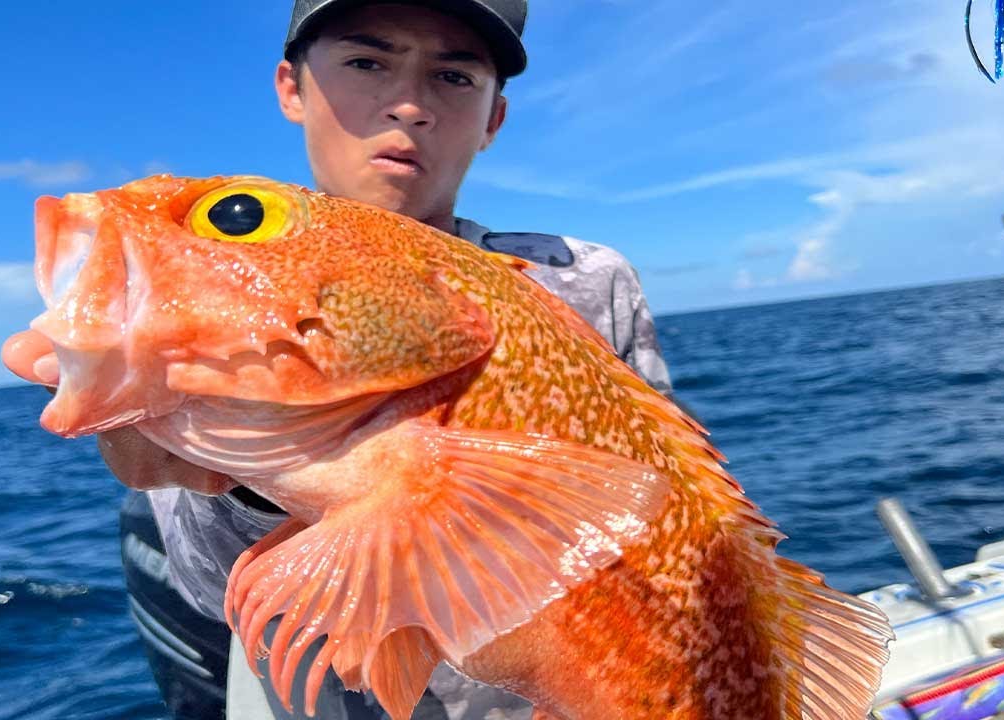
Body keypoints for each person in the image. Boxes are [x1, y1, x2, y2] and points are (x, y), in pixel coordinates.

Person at [107, 2, 676, 717]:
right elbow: (205, 587)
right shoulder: (222, 293)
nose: (409, 104)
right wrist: (255, 477)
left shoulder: (588, 280)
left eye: (453, 76)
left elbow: (669, 522)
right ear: (292, 87)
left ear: (494, 118)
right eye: (367, 62)